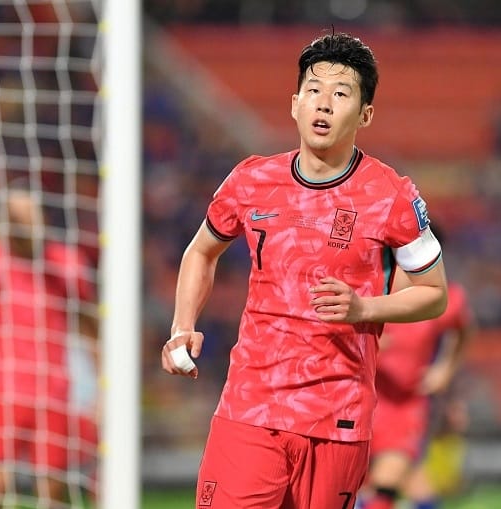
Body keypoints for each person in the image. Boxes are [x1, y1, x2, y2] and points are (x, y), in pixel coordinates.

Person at [161, 31, 449, 508]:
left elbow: (434, 293)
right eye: (313, 90)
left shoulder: (392, 196)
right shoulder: (251, 180)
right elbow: (201, 252)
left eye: (341, 94)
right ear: (295, 104)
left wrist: (365, 308)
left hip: (339, 416)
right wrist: (181, 327)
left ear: (365, 114)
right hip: (251, 406)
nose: (324, 103)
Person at [0, 181, 95, 508]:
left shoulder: (67, 263)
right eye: (15, 214)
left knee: (52, 488)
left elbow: (89, 327)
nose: (22, 222)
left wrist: (102, 387)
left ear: (42, 216)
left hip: (52, 390)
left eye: (28, 213)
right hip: (0, 389)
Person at [359, 275, 474, 509]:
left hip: (405, 406)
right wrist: (362, 343)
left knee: (388, 478)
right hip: (361, 400)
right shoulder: (368, 284)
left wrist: (445, 369)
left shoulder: (434, 294)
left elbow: (463, 326)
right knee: (369, 483)